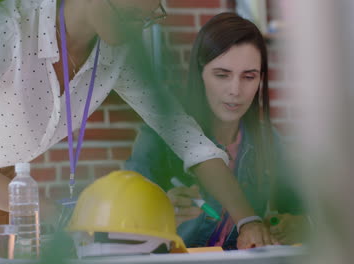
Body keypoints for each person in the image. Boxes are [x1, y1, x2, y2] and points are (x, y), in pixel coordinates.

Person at [0, 2, 271, 263]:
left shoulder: (116, 52)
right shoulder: (9, 22)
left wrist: (247, 221)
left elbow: (187, 137)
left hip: (0, 185)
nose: (147, 18)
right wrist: (58, 215)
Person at [126, 12, 306, 249]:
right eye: (222, 75)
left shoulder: (269, 141)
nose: (235, 90)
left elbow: (300, 211)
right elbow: (121, 223)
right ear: (200, 74)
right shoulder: (159, 137)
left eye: (249, 77)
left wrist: (300, 225)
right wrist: (159, 213)